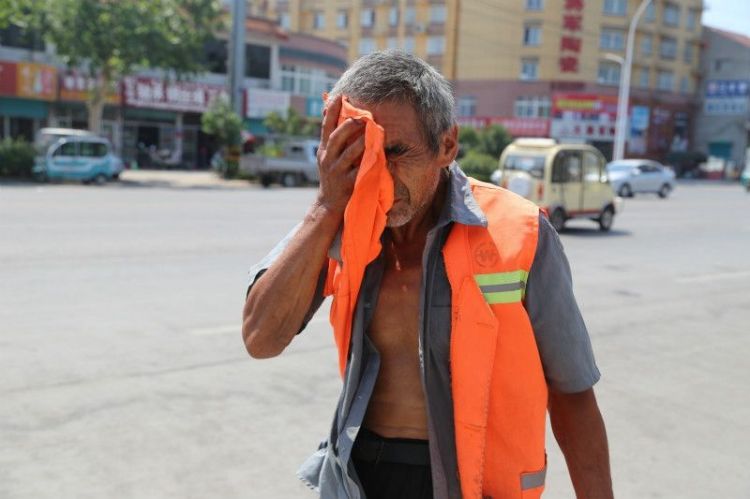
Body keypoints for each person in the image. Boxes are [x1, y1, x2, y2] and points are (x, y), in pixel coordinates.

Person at [242, 51, 613, 499]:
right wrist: (325, 207)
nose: (378, 176)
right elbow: (261, 339)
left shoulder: (522, 232)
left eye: (395, 152)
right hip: (362, 476)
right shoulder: (338, 219)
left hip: (474, 485)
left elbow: (572, 392)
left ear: (447, 146)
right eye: (362, 155)